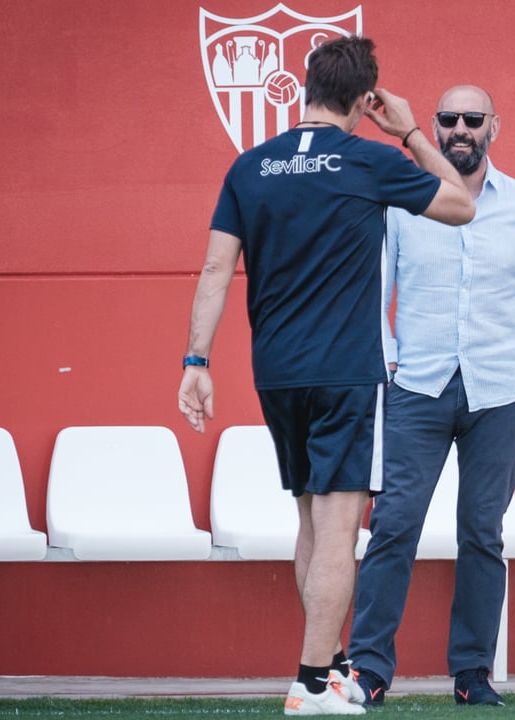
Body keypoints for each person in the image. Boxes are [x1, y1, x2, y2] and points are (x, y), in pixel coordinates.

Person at [176, 36, 475, 717]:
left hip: (277, 373)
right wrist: (409, 134)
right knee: (339, 527)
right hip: (345, 372)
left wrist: (196, 361)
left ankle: (332, 667)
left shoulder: (250, 165)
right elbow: (462, 204)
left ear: (307, 87)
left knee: (312, 520)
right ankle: (312, 683)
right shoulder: (369, 158)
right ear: (365, 99)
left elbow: (216, 268)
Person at [347, 85, 515, 707]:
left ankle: (472, 674)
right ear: (434, 126)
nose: (460, 129)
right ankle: (369, 671)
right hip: (415, 389)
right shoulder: (403, 205)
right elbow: (375, 293)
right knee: (393, 526)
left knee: (482, 533)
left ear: (493, 127)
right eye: (448, 118)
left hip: (496, 393)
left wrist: (505, 329)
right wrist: (390, 359)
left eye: (473, 119)